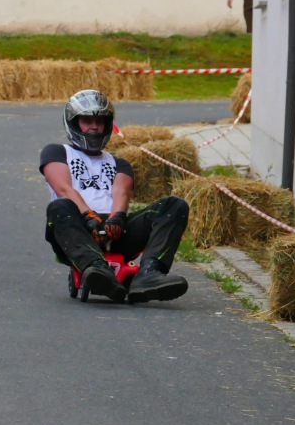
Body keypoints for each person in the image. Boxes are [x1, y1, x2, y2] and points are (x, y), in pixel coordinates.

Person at [40, 89, 191, 304]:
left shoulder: (119, 163)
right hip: (77, 228)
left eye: (100, 121)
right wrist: (88, 216)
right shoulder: (57, 152)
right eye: (87, 121)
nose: (94, 127)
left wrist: (117, 218)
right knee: (59, 207)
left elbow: (121, 192)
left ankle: (149, 273)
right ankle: (97, 269)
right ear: (74, 123)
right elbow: (64, 188)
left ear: (108, 124)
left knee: (174, 205)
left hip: (115, 229)